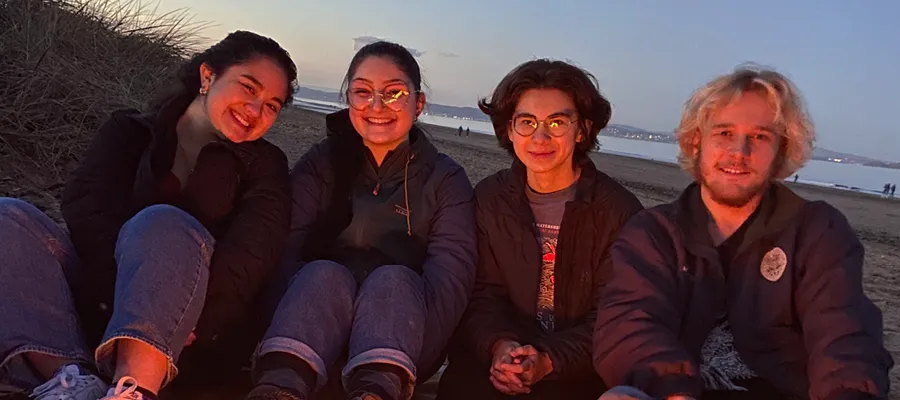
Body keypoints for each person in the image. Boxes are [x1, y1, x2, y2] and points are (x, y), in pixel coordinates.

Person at [0, 31, 296, 400]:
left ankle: (133, 389)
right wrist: (117, 294)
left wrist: (201, 321)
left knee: (164, 222)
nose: (255, 110)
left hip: (186, 332)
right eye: (249, 88)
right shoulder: (129, 132)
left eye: (272, 105)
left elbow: (254, 252)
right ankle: (69, 381)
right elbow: (87, 210)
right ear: (208, 76)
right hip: (100, 296)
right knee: (9, 217)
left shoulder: (265, 165)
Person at [594, 65, 893, 400]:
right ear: (696, 143)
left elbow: (844, 337)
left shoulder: (817, 231)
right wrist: (670, 390)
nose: (739, 151)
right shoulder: (655, 233)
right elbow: (630, 325)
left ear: (782, 149)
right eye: (723, 133)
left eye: (759, 136)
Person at [245, 41, 477, 400]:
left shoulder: (445, 180)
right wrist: (277, 324)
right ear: (348, 98)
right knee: (323, 273)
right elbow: (284, 246)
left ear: (418, 103)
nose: (377, 106)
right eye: (363, 92)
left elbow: (450, 282)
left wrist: (412, 353)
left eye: (395, 92)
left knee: (393, 280)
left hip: (398, 350)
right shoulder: (323, 163)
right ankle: (278, 386)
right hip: (302, 336)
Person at [437, 59, 643, 400]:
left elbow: (614, 317)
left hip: (579, 370)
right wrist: (501, 347)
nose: (541, 136)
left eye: (557, 122)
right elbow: (480, 294)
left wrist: (548, 360)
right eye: (527, 122)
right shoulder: (490, 199)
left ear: (582, 130)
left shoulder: (618, 212)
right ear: (509, 130)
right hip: (496, 361)